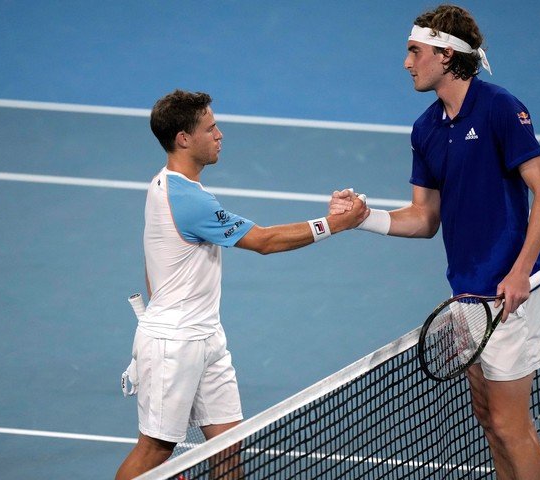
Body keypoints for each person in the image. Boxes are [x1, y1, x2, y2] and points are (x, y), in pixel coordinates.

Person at [331, 5, 540, 479]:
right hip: (467, 292)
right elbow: (424, 217)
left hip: (513, 289)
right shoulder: (425, 129)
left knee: (510, 423)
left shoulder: (498, 106)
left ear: (447, 55)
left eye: (415, 51)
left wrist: (519, 273)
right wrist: (363, 219)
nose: (407, 62)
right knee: (487, 421)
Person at [115, 89, 368, 479]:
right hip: (175, 343)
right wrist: (335, 224)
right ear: (184, 139)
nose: (220, 135)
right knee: (155, 450)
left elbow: (153, 266)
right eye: (210, 128)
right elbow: (264, 241)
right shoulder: (188, 201)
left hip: (204, 336)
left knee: (228, 446)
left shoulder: (166, 186)